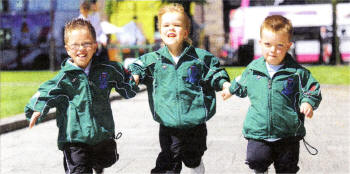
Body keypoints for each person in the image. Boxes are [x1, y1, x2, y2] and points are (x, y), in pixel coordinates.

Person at [25, 18, 138, 174]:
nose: (81, 49)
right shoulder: (64, 78)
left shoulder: (106, 70)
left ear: (95, 46)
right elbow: (45, 92)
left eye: (86, 43)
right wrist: (36, 109)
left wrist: (133, 81)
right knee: (79, 170)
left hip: (101, 134)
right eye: (75, 45)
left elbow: (124, 77)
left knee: (107, 159)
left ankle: (98, 165)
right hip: (74, 138)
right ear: (67, 49)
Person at [128, 3, 231, 174]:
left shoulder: (199, 58)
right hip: (168, 123)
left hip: (195, 122)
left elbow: (215, 72)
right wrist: (135, 76)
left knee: (193, 158)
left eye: (176, 25)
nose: (171, 29)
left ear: (185, 32)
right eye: (166, 25)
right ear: (160, 31)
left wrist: (224, 84)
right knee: (169, 160)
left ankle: (196, 166)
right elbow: (137, 65)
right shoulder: (154, 60)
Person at [222, 15, 322, 173]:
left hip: (287, 132)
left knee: (287, 168)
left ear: (288, 45)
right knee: (256, 159)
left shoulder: (296, 72)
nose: (273, 50)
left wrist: (308, 102)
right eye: (268, 44)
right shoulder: (254, 69)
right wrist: (230, 89)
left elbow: (312, 88)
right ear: (260, 43)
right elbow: (242, 81)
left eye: (279, 45)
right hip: (258, 130)